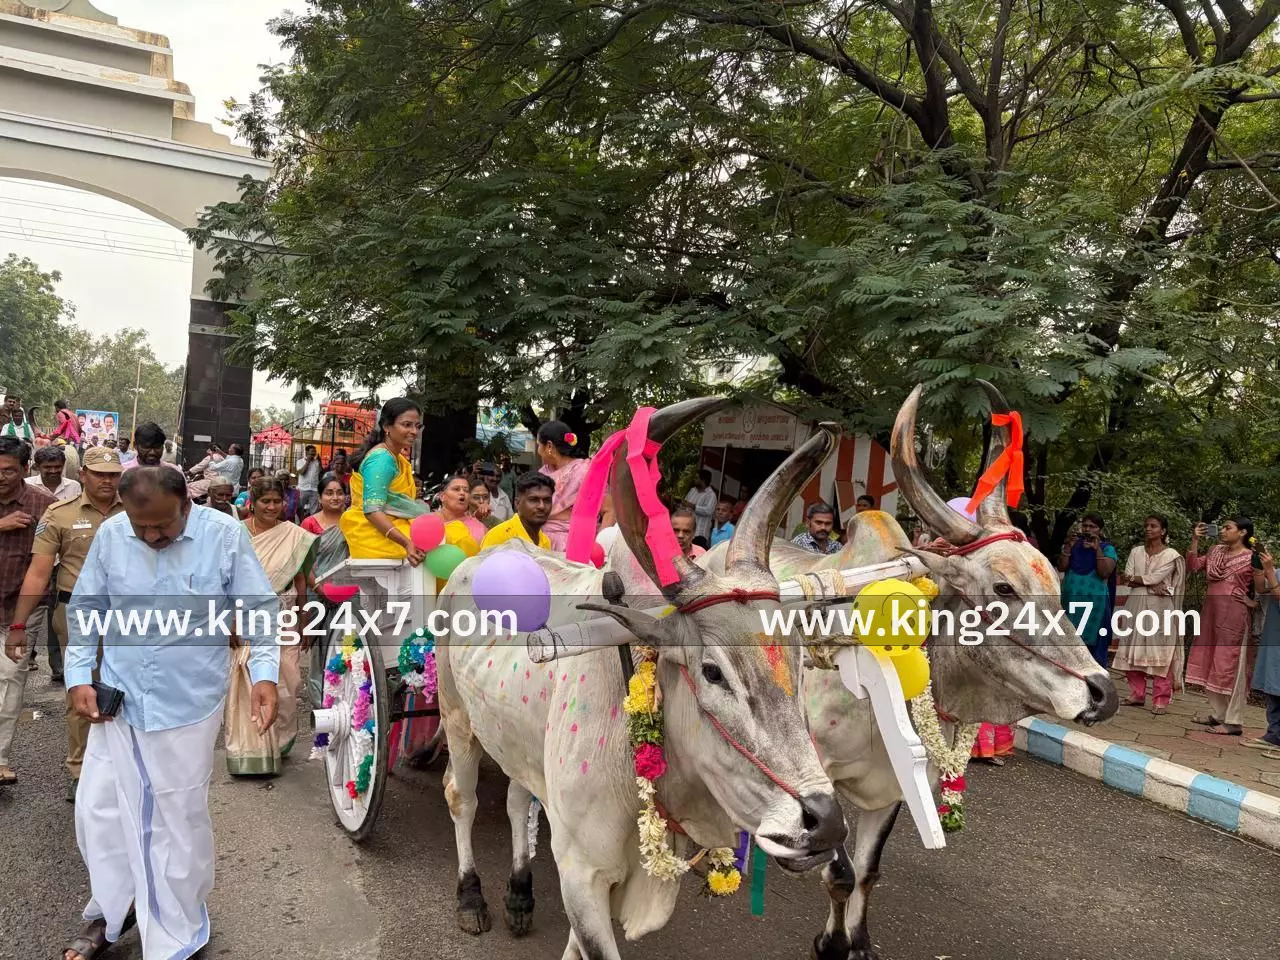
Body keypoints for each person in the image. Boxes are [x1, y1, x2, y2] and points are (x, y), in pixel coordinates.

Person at [58, 466, 279, 960]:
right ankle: (112, 912)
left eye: (164, 526)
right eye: (143, 528)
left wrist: (263, 674)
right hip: (120, 696)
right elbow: (88, 606)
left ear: (186, 504)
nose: (153, 536)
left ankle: (178, 931)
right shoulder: (114, 534)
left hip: (188, 700)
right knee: (100, 809)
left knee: (178, 818)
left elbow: (259, 607)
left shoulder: (223, 535)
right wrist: (77, 675)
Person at [8, 446, 124, 796]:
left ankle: (124, 765)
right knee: (83, 689)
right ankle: (81, 768)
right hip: (77, 612)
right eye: (99, 473)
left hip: (131, 615)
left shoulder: (137, 510)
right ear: (83, 475)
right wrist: (18, 626)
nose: (106, 480)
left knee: (129, 687)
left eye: (113, 474)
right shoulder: (59, 514)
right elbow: (38, 572)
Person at [227, 476, 315, 776]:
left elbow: (301, 580)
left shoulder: (293, 535)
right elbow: (229, 579)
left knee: (289, 680)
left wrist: (305, 621)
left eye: (278, 501)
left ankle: (282, 740)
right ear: (252, 502)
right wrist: (231, 618)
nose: (272, 507)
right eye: (266, 501)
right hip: (248, 614)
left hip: (286, 611)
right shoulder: (238, 533)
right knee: (250, 681)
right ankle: (253, 748)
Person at [0, 437, 55, 785]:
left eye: (8, 470)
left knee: (9, 682)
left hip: (20, 610)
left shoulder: (44, 507)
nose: (0, 476)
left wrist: (21, 620)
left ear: (24, 470)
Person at [1186, 517, 1260, 736]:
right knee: (1212, 661)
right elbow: (1192, 566)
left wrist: (1254, 602)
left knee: (1232, 666)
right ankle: (1219, 715)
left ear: (1243, 533)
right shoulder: (1216, 551)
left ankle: (1234, 721)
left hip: (1234, 618)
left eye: (1229, 528)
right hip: (1211, 614)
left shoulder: (1251, 557)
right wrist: (1194, 540)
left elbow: (1264, 583)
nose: (1223, 531)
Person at [337, 399, 428, 565]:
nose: (414, 431)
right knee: (437, 545)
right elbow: (372, 511)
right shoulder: (381, 459)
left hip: (391, 529)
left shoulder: (395, 457)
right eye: (407, 425)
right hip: (375, 535)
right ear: (386, 426)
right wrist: (407, 543)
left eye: (418, 426)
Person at [1113, 514, 1186, 715]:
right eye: (1146, 525)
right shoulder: (1136, 551)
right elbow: (1127, 577)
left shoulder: (1171, 555)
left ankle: (1161, 699)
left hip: (1160, 608)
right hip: (1135, 604)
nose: (1148, 529)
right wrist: (1147, 582)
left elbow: (1155, 577)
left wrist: (1142, 580)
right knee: (1133, 648)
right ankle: (1137, 693)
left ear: (1163, 531)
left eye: (1153, 526)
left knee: (1161, 652)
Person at [1057, 513, 1118, 667]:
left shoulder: (1107, 549)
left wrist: (1097, 550)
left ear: (1100, 530)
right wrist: (1068, 547)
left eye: (1093, 526)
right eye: (1085, 525)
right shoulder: (1074, 545)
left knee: (1092, 645)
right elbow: (1062, 567)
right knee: (1068, 639)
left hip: (1094, 606)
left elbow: (1105, 572)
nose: (1088, 529)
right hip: (1071, 601)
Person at [536, 420, 590, 552]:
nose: (538, 450)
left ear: (549, 446)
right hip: (541, 543)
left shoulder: (584, 471)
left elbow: (608, 509)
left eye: (538, 445)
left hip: (574, 546)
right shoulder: (543, 473)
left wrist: (599, 547)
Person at [1249, 546, 1280, 751]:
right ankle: (1274, 734)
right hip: (1274, 634)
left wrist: (1269, 570)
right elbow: (1262, 589)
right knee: (1273, 685)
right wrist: (1259, 566)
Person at [481, 473, 554, 550]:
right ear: (517, 503)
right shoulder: (499, 537)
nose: (541, 506)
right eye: (533, 500)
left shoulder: (545, 541)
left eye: (547, 500)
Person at [682, 468, 718, 545]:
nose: (694, 479)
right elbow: (685, 505)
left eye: (697, 478)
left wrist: (692, 506)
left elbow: (708, 511)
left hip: (700, 533)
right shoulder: (692, 490)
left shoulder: (711, 495)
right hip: (687, 530)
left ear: (703, 480)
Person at [296, 445, 321, 516]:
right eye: (312, 451)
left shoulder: (317, 462)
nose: (314, 453)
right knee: (300, 507)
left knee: (314, 510)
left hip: (314, 489)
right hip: (303, 488)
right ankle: (300, 522)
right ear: (306, 452)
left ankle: (311, 524)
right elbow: (302, 472)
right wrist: (308, 462)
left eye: (314, 451)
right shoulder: (300, 461)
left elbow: (320, 473)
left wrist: (320, 462)